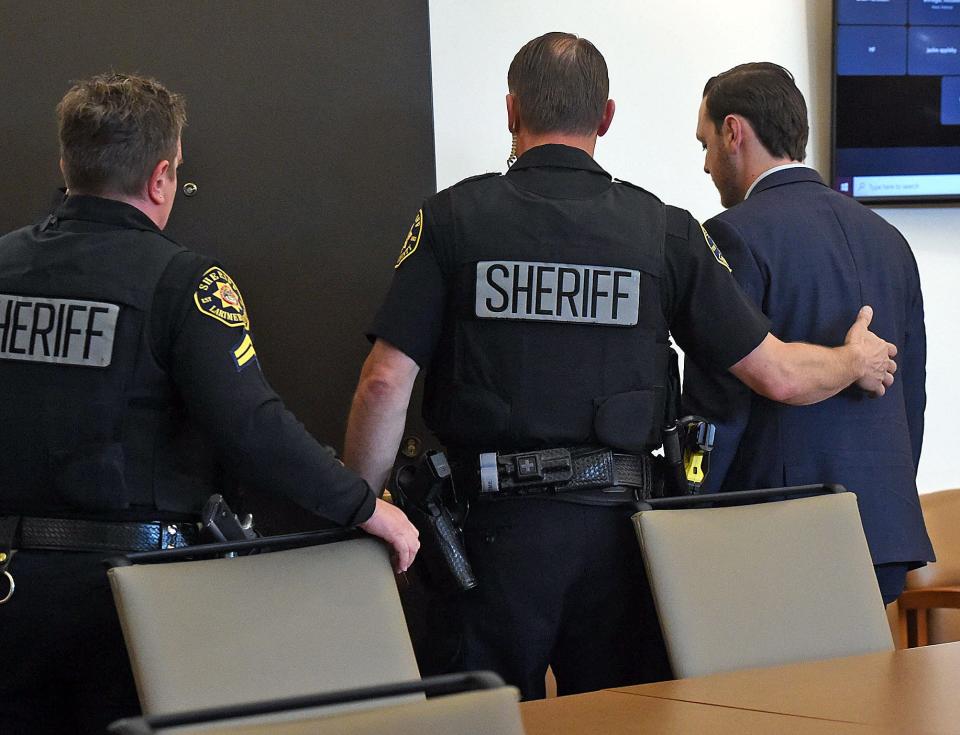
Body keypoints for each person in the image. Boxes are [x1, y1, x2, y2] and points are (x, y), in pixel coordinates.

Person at [343, 33, 897, 700]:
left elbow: (384, 381)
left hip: (484, 542)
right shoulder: (664, 229)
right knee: (621, 719)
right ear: (605, 117)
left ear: (511, 110)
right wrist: (853, 357)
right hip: (620, 542)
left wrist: (364, 508)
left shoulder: (450, 219)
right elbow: (776, 372)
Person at [0, 73, 419, 734]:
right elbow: (253, 427)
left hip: (11, 590)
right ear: (161, 177)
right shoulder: (186, 282)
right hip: (134, 601)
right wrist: (364, 506)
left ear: (66, 164)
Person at [681, 62, 933, 605]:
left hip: (777, 533)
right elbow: (911, 395)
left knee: (759, 693)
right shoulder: (889, 238)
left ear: (733, 131)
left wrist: (689, 508)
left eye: (704, 143)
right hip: (883, 526)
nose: (705, 165)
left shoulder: (731, 235)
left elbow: (715, 406)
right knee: (862, 692)